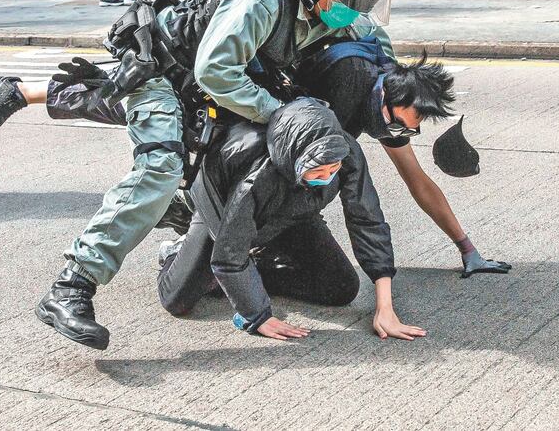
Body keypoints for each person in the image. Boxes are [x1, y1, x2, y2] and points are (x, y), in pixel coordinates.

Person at [0, 0, 396, 350]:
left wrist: (401, 88)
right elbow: (215, 72)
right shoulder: (260, 0)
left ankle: (16, 91)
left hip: (209, 85)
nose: (357, 7)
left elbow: (376, 44)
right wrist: (280, 114)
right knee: (161, 164)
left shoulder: (332, 7)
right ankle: (72, 287)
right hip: (166, 71)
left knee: (119, 104)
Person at [157, 98, 423, 342]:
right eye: (318, 171)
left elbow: (367, 220)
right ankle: (177, 250)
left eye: (333, 169)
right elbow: (229, 254)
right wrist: (258, 315)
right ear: (295, 161)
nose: (328, 177)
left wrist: (385, 307)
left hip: (293, 211)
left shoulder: (346, 153)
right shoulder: (258, 178)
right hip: (223, 211)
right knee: (177, 300)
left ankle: (251, 271)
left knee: (341, 287)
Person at [295, 45, 512, 278]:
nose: (395, 131)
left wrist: (467, 249)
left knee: (340, 282)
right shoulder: (348, 79)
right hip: (277, 168)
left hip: (302, 189)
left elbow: (416, 179)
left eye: (405, 130)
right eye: (397, 124)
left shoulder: (388, 106)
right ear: (385, 94)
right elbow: (358, 200)